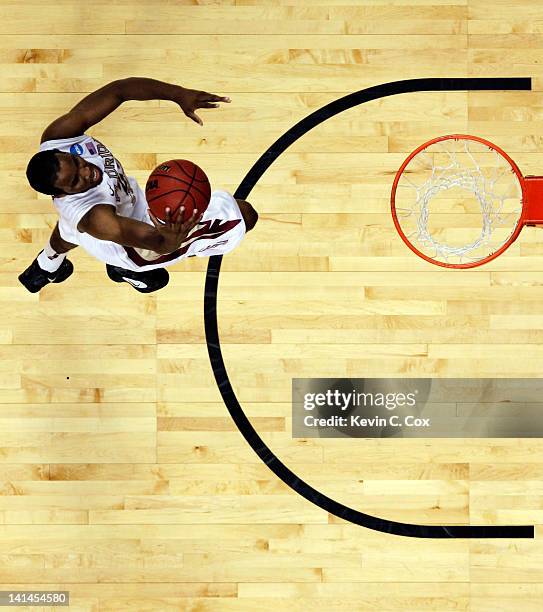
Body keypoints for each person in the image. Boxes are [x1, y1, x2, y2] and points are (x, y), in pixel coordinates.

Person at [20, 77, 258, 293]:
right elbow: (158, 243)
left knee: (68, 230)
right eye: (76, 180)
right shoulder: (94, 217)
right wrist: (172, 236)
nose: (88, 171)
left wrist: (179, 93)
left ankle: (45, 267)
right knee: (244, 215)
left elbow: (120, 90)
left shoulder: (59, 137)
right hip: (135, 245)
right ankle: (125, 270)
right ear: (61, 194)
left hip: (116, 213)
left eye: (76, 161)